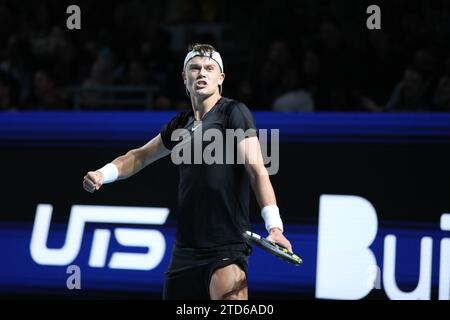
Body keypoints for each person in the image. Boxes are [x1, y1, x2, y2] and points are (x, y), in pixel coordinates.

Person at [83, 43, 293, 300]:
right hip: (184, 253)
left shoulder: (233, 112)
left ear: (220, 78)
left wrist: (275, 226)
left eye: (209, 68)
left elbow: (257, 170)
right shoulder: (179, 125)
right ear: (185, 78)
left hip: (226, 247)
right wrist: (104, 173)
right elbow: (139, 156)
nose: (201, 73)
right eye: (194, 68)